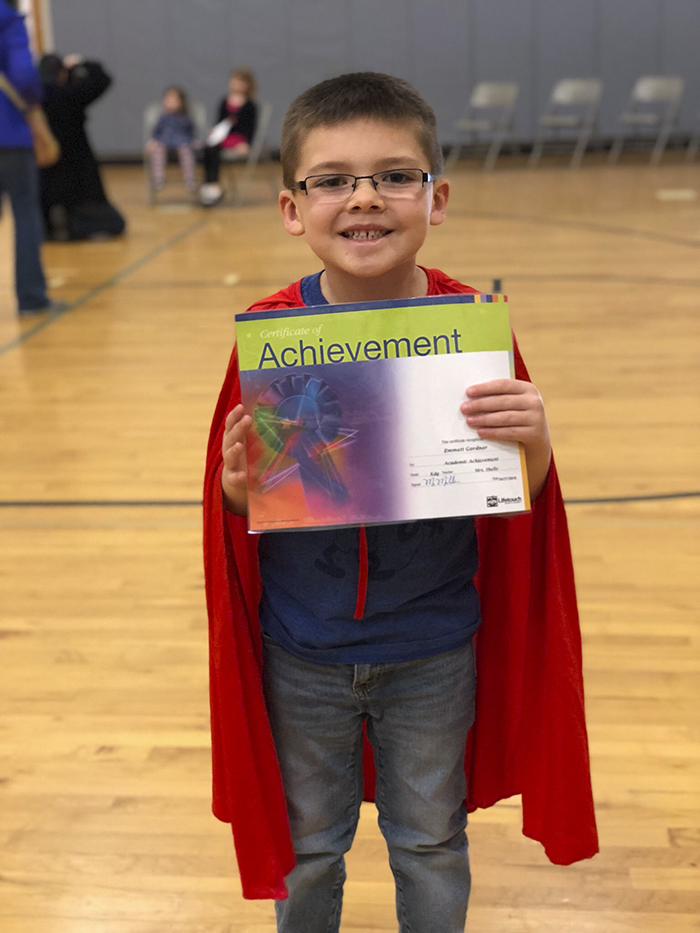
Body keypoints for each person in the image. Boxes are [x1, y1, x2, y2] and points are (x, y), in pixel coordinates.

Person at [203, 72, 598, 932]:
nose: (364, 200)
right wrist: (237, 490)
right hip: (302, 651)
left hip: (432, 648)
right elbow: (235, 517)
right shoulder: (271, 338)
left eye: (393, 175)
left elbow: (518, 507)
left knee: (429, 842)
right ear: (291, 208)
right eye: (333, 180)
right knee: (309, 850)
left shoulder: (473, 331)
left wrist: (536, 442)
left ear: (436, 196)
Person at [0, 0, 63, 315]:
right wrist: (36, 98)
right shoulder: (7, 18)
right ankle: (31, 298)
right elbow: (23, 78)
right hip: (8, 132)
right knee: (25, 213)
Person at [39, 53, 125, 240]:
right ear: (62, 73)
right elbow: (102, 79)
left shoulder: (35, 100)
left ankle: (52, 228)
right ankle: (72, 228)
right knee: (115, 223)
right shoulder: (70, 95)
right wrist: (81, 63)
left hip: (45, 170)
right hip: (78, 173)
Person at [199, 66, 257, 207]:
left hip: (238, 140)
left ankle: (213, 187)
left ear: (248, 85)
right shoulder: (224, 102)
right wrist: (214, 130)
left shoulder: (250, 106)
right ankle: (211, 184)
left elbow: (251, 128)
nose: (236, 84)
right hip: (224, 138)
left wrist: (247, 143)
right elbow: (219, 122)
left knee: (213, 150)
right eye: (234, 81)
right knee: (208, 148)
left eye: (241, 81)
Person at [145, 85, 198, 194]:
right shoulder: (163, 118)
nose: (171, 102)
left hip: (182, 142)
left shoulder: (184, 118)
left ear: (181, 102)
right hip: (164, 142)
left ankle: (189, 179)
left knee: (186, 150)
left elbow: (190, 132)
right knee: (157, 150)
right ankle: (158, 178)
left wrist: (193, 140)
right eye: (168, 99)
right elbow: (156, 132)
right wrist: (152, 142)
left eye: (174, 100)